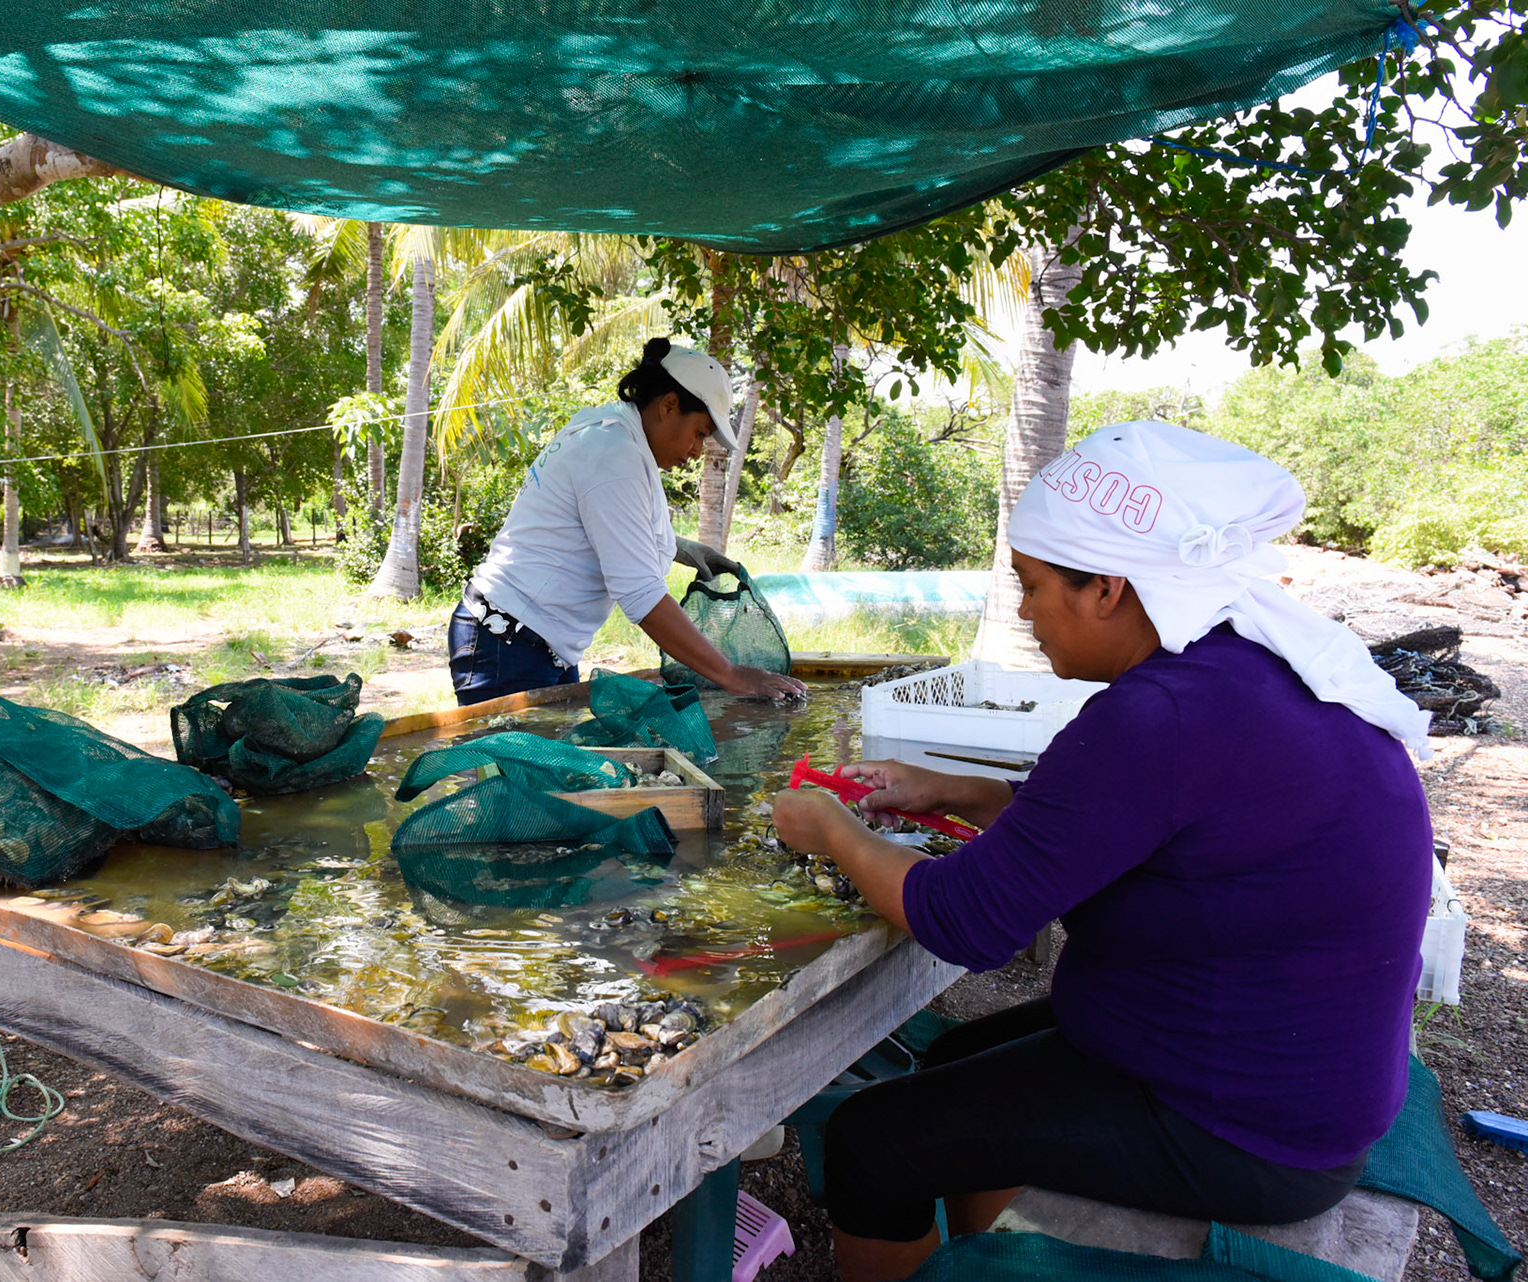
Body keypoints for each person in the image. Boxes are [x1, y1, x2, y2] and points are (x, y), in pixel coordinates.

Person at [772, 420, 1434, 1281]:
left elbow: (965, 921)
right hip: (1271, 1062)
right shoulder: (1238, 669)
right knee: (949, 1060)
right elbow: (1135, 829)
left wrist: (833, 828)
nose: (1023, 611)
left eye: (1033, 586)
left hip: (1249, 1127)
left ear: (1108, 590)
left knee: (872, 1140)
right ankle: (996, 1262)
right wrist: (959, 791)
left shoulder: (1158, 716)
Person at [449, 338, 807, 706]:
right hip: (506, 641)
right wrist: (731, 675)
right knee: (518, 764)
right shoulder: (613, 453)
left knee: (549, 762)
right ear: (669, 405)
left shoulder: (611, 432)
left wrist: (680, 548)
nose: (697, 451)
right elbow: (640, 595)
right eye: (699, 433)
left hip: (537, 642)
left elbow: (594, 523)